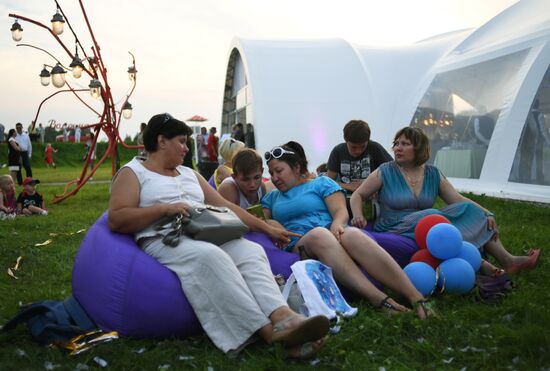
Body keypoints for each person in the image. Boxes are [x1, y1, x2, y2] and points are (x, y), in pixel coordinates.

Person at [108, 113, 329, 358]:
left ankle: (283, 316)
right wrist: (164, 209)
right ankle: (268, 332)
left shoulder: (189, 173)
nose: (185, 149)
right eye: (181, 141)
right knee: (211, 257)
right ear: (161, 141)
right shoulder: (134, 172)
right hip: (166, 237)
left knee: (250, 251)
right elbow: (117, 218)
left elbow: (226, 206)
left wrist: (267, 228)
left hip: (204, 230)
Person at [261, 141, 429, 319]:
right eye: (271, 173)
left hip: (331, 232)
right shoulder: (272, 197)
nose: (274, 177)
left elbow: (340, 211)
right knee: (320, 234)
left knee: (352, 234)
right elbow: (263, 221)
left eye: (279, 171)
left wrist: (337, 225)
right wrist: (272, 224)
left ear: (296, 167)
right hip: (301, 243)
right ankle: (380, 299)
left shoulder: (321, 183)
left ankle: (416, 298)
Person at [350, 126, 541, 276]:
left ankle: (508, 260)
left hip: (426, 224)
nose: (397, 148)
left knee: (472, 211)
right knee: (433, 216)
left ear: (419, 148)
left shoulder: (432, 173)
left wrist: (486, 212)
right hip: (394, 224)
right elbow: (358, 195)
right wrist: (358, 214)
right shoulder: (385, 170)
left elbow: (457, 199)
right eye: (396, 143)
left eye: (405, 144)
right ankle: (482, 264)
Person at [327, 120, 393, 194]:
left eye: (363, 146)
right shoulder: (338, 151)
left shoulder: (375, 148)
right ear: (345, 139)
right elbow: (328, 181)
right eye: (353, 147)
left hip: (371, 195)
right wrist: (349, 186)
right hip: (345, 196)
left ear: (368, 140)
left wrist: (376, 186)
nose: (358, 151)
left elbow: (393, 172)